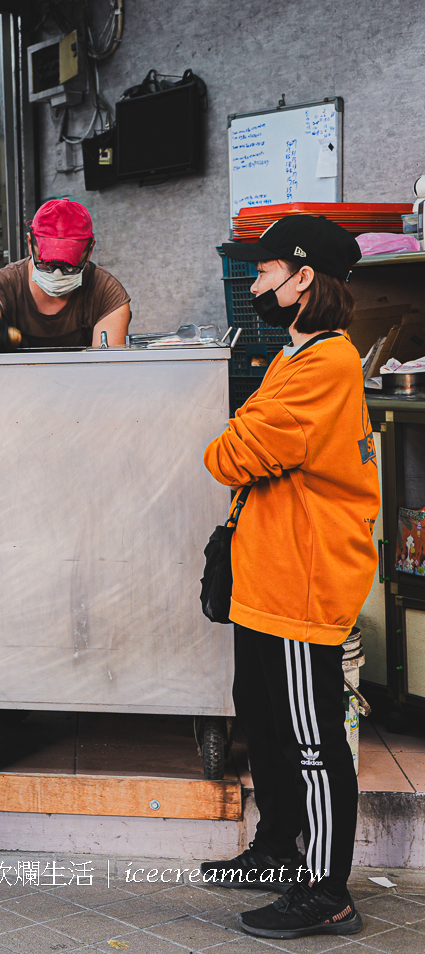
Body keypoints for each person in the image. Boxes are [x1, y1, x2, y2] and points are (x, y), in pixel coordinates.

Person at [198, 215, 377, 940]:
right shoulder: (292, 356)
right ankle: (278, 851)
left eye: (264, 271)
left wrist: (241, 429)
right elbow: (250, 440)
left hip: (304, 582)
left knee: (312, 739)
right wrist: (247, 427)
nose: (253, 284)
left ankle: (328, 891)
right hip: (265, 577)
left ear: (304, 278)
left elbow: (231, 453)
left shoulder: (326, 363)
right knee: (267, 725)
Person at [0, 199, 131, 350]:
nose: (57, 274)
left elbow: (107, 369)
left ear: (90, 250)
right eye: (47, 264)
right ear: (30, 244)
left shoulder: (107, 293)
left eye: (69, 267)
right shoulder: (5, 284)